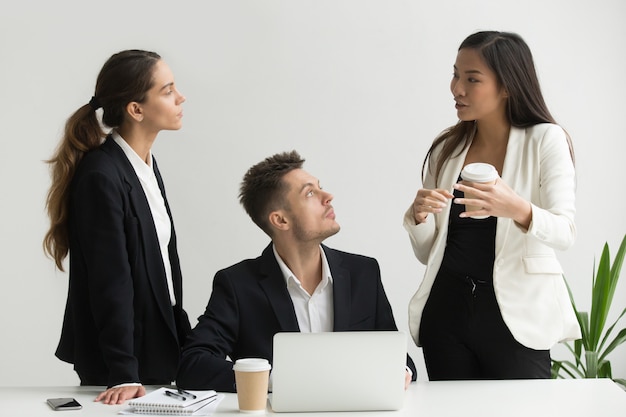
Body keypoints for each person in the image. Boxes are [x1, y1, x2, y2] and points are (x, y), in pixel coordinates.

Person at [403, 31, 581, 380]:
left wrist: (516, 207)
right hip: (447, 311)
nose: (457, 88)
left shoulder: (546, 140)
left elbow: (565, 232)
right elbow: (429, 254)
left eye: (472, 79)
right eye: (456, 75)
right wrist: (418, 216)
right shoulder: (447, 148)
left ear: (507, 86)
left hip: (516, 315)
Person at [177, 150, 416, 392]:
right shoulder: (238, 284)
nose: (328, 196)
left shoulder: (363, 273)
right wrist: (272, 382)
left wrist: (401, 371)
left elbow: (398, 358)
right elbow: (193, 365)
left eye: (320, 187)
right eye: (310, 193)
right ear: (280, 220)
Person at [43, 50, 192, 404]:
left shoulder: (145, 167)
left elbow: (162, 271)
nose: (180, 97)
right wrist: (124, 372)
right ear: (136, 109)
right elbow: (110, 281)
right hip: (123, 367)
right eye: (168, 90)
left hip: (157, 348)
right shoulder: (101, 175)